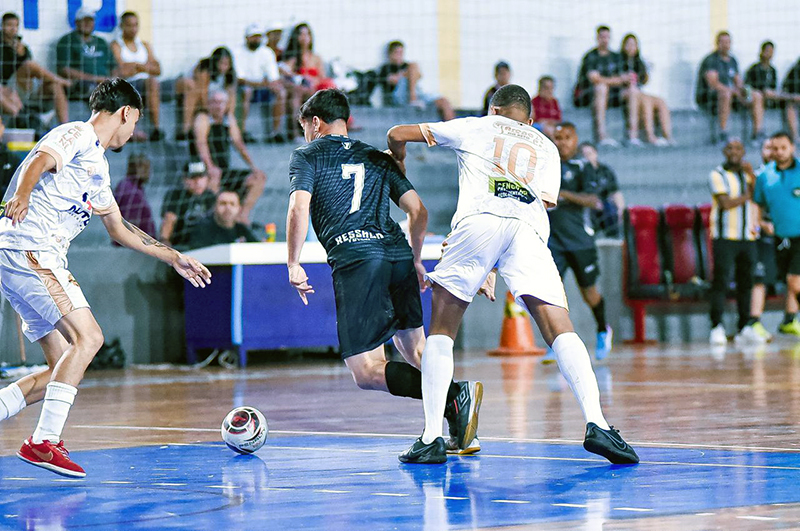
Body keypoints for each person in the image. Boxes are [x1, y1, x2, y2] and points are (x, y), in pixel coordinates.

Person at [387, 85, 638, 464]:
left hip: (478, 222)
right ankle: (598, 423)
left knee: (441, 328)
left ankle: (432, 437)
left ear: (493, 109)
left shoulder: (477, 125)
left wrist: (399, 158)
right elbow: (542, 201)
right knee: (559, 326)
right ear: (531, 119)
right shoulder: (547, 146)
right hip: (529, 230)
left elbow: (396, 133)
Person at [0, 79, 211, 478]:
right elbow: (37, 161)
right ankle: (43, 442)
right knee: (90, 338)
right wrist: (23, 195)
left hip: (22, 256)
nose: (134, 132)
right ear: (127, 113)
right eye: (136, 121)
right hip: (31, 249)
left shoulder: (97, 166)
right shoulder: (76, 132)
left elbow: (119, 229)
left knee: (63, 365)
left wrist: (174, 257)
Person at [287, 89, 482, 456]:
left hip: (357, 258)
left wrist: (293, 262)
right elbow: (418, 211)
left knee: (367, 370)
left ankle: (456, 396)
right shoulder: (377, 156)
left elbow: (299, 208)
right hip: (397, 255)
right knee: (415, 348)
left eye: (304, 127)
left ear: (314, 123)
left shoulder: (307, 155)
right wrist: (417, 258)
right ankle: (452, 418)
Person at [548, 123, 613, 360]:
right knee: (551, 295)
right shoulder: (546, 165)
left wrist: (563, 194)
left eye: (566, 137)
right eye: (557, 138)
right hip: (553, 241)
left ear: (575, 139)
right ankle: (555, 342)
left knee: (589, 292)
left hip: (580, 240)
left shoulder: (584, 167)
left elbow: (592, 200)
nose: (561, 142)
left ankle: (602, 329)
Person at [707, 139, 760, 345]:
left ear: (744, 151)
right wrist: (748, 193)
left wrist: (753, 178)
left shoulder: (748, 175)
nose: (734, 152)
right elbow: (726, 203)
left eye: (738, 148)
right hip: (724, 236)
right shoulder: (717, 175)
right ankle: (716, 326)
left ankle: (744, 326)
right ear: (724, 151)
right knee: (720, 281)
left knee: (746, 282)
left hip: (747, 236)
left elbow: (760, 196)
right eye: (730, 148)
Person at [190, 90, 267, 223]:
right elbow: (201, 144)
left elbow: (238, 144)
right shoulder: (202, 118)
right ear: (208, 104)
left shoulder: (228, 118)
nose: (218, 106)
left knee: (258, 178)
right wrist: (210, 167)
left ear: (227, 105)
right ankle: (215, 220)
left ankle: (241, 217)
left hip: (223, 170)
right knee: (213, 179)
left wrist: (253, 167)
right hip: (202, 169)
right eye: (214, 102)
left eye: (221, 102)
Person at [754, 132, 800, 338]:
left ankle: (790, 319)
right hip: (778, 237)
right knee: (784, 280)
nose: (780, 152)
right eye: (775, 148)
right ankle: (788, 320)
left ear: (792, 148)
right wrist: (761, 223)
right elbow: (758, 203)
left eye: (784, 148)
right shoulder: (764, 176)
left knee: (795, 281)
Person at [574, 26, 640, 147]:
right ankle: (602, 137)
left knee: (632, 90)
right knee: (601, 87)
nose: (605, 40)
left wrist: (620, 79)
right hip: (589, 95)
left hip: (612, 94)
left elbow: (625, 77)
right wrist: (617, 80)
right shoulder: (590, 56)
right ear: (597, 38)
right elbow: (595, 79)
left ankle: (632, 136)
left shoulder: (616, 57)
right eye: (602, 37)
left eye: (607, 37)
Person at [1, 12, 70, 125]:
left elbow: (32, 70)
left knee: (55, 86)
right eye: (9, 25)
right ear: (2, 25)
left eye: (15, 25)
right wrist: (20, 56)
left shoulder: (21, 46)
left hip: (27, 86)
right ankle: (61, 80)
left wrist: (21, 54)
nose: (12, 29)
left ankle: (64, 126)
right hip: (8, 88)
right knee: (29, 65)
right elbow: (26, 66)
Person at [696, 31, 764, 144]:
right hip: (709, 97)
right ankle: (723, 133)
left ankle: (757, 133)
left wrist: (745, 91)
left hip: (731, 94)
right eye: (723, 42)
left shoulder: (732, 60)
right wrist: (733, 91)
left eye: (728, 42)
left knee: (757, 95)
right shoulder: (711, 60)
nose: (726, 45)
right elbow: (713, 84)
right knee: (725, 94)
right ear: (717, 43)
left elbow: (738, 81)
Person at [747, 138, 782, 342]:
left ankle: (790, 319)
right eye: (768, 148)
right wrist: (760, 224)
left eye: (777, 148)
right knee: (759, 279)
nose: (772, 152)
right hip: (764, 237)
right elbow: (753, 206)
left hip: (788, 235)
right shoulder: (757, 177)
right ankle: (754, 322)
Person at [110, 11, 163, 141]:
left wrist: (136, 66)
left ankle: (156, 128)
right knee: (151, 82)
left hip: (147, 83)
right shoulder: (116, 45)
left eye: (135, 25)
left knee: (153, 82)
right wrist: (145, 66)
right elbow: (122, 70)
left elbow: (158, 69)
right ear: (122, 26)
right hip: (128, 83)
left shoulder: (144, 45)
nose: (133, 29)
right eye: (129, 25)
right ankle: (150, 127)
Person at [232, 23, 286, 143]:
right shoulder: (237, 52)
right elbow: (240, 79)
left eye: (258, 36)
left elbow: (273, 77)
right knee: (247, 91)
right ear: (247, 37)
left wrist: (270, 84)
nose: (256, 39)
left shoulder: (267, 52)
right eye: (253, 36)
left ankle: (275, 133)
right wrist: (263, 84)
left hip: (262, 87)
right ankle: (242, 132)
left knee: (281, 92)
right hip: (245, 87)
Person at [377, 41, 455, 121]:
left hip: (416, 94)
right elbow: (393, 80)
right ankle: (413, 99)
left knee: (444, 101)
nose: (400, 56)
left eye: (401, 53)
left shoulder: (407, 65)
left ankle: (452, 129)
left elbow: (419, 76)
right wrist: (407, 74)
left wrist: (408, 73)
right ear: (390, 54)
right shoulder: (385, 68)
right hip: (399, 97)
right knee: (413, 66)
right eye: (397, 53)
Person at [620, 33, 673, 146]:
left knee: (660, 101)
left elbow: (643, 81)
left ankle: (667, 136)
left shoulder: (639, 62)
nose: (631, 47)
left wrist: (648, 71)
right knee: (641, 97)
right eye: (628, 44)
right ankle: (648, 135)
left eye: (634, 45)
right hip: (622, 92)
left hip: (637, 92)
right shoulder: (618, 60)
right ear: (623, 46)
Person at [174, 47, 237, 141]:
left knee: (231, 97)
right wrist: (209, 109)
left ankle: (228, 124)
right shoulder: (204, 68)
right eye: (221, 63)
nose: (224, 67)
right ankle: (186, 130)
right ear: (215, 62)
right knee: (193, 91)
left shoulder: (230, 74)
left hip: (215, 99)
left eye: (226, 64)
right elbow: (202, 92)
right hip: (200, 98)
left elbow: (230, 93)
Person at [55, 8, 115, 101]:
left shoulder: (101, 42)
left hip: (105, 82)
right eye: (84, 20)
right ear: (76, 22)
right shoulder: (67, 41)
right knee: (98, 91)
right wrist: (95, 78)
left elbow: (113, 66)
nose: (87, 24)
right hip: (81, 83)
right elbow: (64, 70)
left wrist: (113, 80)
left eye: (90, 20)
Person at [160, 160, 217, 248]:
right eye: (193, 178)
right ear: (184, 179)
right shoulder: (176, 195)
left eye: (201, 177)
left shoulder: (211, 196)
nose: (197, 182)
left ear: (207, 179)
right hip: (182, 245)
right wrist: (164, 241)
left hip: (207, 245)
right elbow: (169, 219)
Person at [580, 141, 624, 237]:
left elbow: (615, 191)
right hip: (585, 204)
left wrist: (621, 209)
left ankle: (612, 236)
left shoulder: (605, 170)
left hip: (604, 203)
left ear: (596, 153)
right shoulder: (579, 171)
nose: (587, 157)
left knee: (611, 209)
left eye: (589, 154)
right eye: (584, 155)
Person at [186, 190, 258, 248]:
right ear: (214, 207)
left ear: (239, 208)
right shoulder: (203, 229)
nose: (228, 208)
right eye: (223, 203)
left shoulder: (242, 230)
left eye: (232, 204)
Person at [114, 152, 155, 240]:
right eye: (145, 167)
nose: (149, 172)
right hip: (133, 247)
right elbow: (131, 225)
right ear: (135, 168)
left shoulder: (131, 186)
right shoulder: (131, 191)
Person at [781, 58, 800, 142]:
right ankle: (795, 137)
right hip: (794, 100)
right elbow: (786, 88)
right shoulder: (795, 71)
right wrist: (794, 96)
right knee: (790, 106)